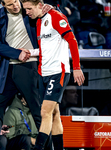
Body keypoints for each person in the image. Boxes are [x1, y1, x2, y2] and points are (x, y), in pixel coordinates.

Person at [0, 0, 53, 149]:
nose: (15, 6)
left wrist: (50, 8)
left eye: (16, 1)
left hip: (28, 67)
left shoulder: (28, 9)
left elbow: (49, 17)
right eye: (9, 4)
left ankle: (49, 147)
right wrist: (16, 54)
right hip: (6, 68)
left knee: (37, 112)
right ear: (2, 5)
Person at [20, 0, 85, 149]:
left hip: (58, 72)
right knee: (54, 114)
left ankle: (39, 147)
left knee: (45, 112)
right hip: (44, 73)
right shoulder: (38, 23)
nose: (27, 12)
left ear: (40, 5)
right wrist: (31, 52)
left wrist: (76, 67)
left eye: (29, 9)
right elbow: (44, 49)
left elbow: (72, 41)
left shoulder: (56, 16)